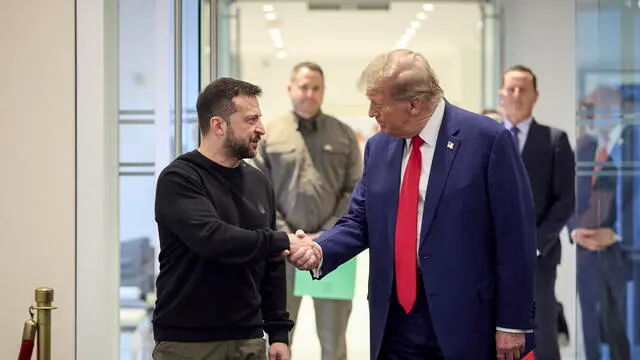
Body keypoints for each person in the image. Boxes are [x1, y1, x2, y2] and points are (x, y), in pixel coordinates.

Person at [289, 49, 537, 360]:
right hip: (395, 318)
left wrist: (512, 322)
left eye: (378, 104)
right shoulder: (379, 147)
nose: (369, 113)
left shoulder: (487, 140)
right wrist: (320, 249)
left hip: (467, 319)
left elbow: (515, 237)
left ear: (414, 104)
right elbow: (361, 220)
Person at [152, 77, 318, 360]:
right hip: (187, 344)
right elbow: (213, 239)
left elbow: (271, 264)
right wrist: (283, 240)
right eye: (251, 120)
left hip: (248, 341)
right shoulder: (180, 178)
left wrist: (278, 333)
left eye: (259, 119)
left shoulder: (259, 181)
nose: (261, 129)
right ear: (218, 125)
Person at [254, 62, 363, 360]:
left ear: (323, 92)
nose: (310, 94)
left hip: (333, 252)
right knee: (277, 339)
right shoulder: (270, 135)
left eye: (316, 88)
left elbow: (355, 190)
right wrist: (287, 236)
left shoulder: (343, 135)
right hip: (281, 253)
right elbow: (257, 192)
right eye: (304, 87)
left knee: (334, 340)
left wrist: (326, 236)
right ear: (290, 88)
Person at [499, 65, 575, 360]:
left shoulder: (555, 140)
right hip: (491, 257)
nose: (516, 95)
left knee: (540, 332)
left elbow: (565, 200)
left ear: (535, 95)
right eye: (511, 89)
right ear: (501, 94)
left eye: (523, 89)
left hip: (538, 259)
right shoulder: (485, 138)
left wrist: (535, 243)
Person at [568, 85, 633, 360]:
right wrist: (574, 230)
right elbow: (568, 196)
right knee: (592, 332)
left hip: (628, 258)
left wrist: (617, 233)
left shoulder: (635, 145)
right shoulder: (583, 148)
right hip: (588, 258)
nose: (589, 115)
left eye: (593, 109)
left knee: (625, 335)